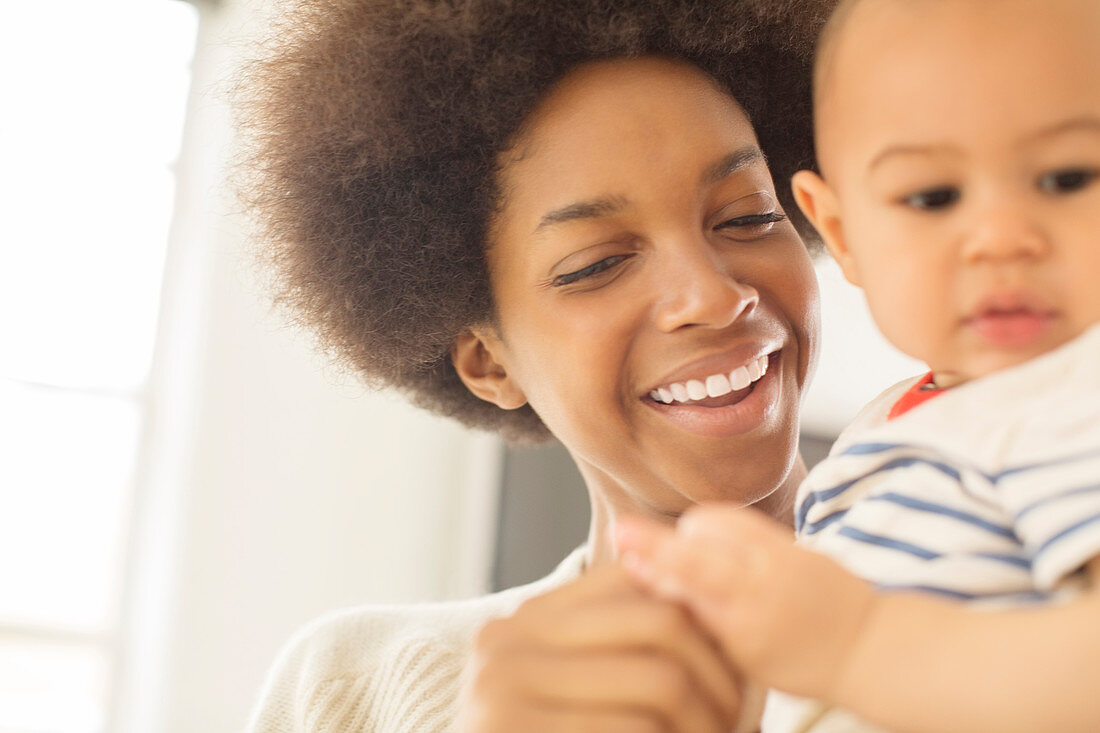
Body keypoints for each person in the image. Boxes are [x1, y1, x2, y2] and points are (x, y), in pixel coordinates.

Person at [236, 1, 833, 730]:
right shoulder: (349, 688)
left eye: (748, 216)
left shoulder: (992, 610)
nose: (713, 295)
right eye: (599, 264)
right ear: (489, 363)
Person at [616, 0, 1100, 730]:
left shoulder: (1076, 397)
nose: (1002, 238)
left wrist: (855, 645)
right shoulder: (899, 418)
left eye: (1066, 178)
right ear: (842, 232)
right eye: (933, 196)